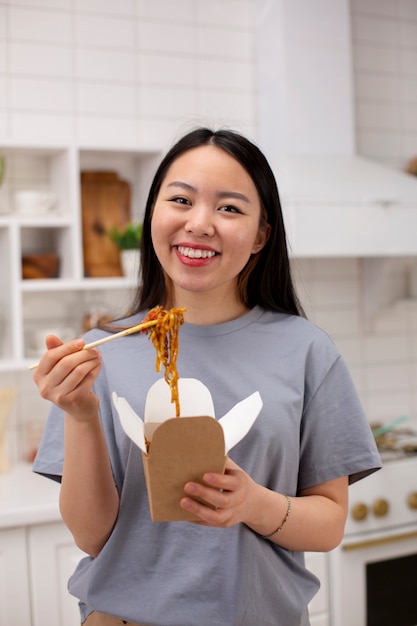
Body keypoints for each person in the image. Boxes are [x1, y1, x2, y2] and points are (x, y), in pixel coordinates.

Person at [33, 127, 381, 626]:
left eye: (230, 208)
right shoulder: (98, 354)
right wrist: (81, 415)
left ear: (262, 234)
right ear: (154, 213)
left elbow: (328, 525)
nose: (200, 224)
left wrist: (252, 503)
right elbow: (92, 537)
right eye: (181, 199)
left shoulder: (307, 351)